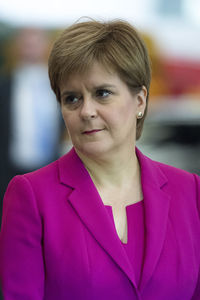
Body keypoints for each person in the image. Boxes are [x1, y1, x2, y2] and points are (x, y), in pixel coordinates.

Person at [0, 19, 199, 300]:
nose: (86, 111)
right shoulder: (31, 196)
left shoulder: (191, 191)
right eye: (72, 99)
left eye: (102, 93)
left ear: (140, 101)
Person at [0, 28, 62, 215]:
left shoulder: (58, 85)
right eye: (26, 43)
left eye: (36, 42)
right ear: (16, 47)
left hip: (50, 171)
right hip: (9, 172)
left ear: (45, 46)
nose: (31, 48)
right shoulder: (5, 85)